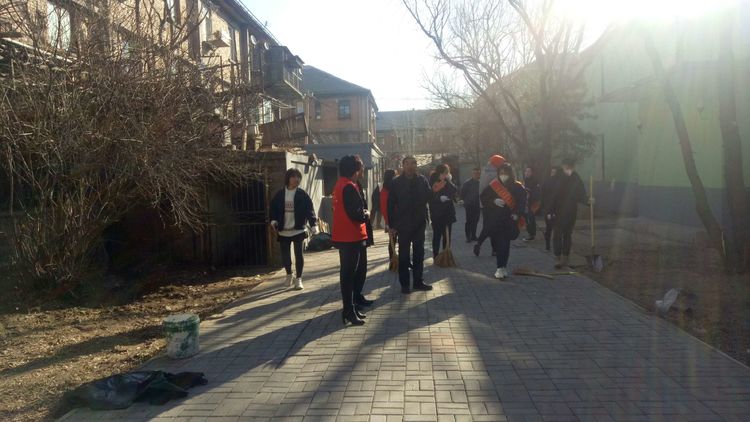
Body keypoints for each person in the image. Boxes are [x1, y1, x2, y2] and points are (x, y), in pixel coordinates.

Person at [332, 155, 369, 326]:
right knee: (349, 275)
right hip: (351, 235)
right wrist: (366, 214)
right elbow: (357, 214)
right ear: (355, 170)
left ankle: (350, 308)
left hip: (343, 235)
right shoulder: (349, 186)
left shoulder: (340, 184)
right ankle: (348, 310)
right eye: (359, 169)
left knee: (347, 274)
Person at [388, 156, 433, 294]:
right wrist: (391, 225)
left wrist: (434, 191)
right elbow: (390, 204)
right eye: (407, 164)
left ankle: (418, 281)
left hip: (419, 222)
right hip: (403, 224)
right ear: (403, 166)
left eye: (413, 164)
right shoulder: (396, 182)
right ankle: (405, 284)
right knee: (404, 255)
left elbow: (429, 197)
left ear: (416, 166)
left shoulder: (422, 180)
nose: (410, 166)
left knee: (419, 253)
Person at [270, 168, 318, 290]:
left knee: (298, 255)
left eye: (298, 177)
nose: (296, 179)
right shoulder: (280, 195)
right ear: (288, 178)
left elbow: (310, 210)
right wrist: (273, 220)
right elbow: (273, 209)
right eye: (293, 176)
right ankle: (289, 275)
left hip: (298, 230)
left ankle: (299, 279)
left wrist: (313, 225)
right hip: (284, 230)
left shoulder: (302, 195)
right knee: (285, 255)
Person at [480, 163, 527, 279]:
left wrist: (516, 213)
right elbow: (483, 197)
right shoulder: (494, 185)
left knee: (505, 245)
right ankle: (500, 267)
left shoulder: (517, 187)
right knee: (500, 244)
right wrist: (493, 201)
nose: (503, 176)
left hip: (510, 220)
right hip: (496, 220)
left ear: (510, 174)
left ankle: (502, 267)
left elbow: (522, 202)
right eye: (501, 173)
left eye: (505, 173)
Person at [549, 158, 589, 269]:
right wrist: (550, 211)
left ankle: (565, 257)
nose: (567, 169)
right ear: (563, 167)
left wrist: (588, 201)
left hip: (570, 212)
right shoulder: (558, 178)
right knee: (557, 234)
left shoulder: (576, 179)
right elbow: (552, 195)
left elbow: (581, 195)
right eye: (565, 167)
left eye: (569, 167)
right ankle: (557, 257)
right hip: (558, 212)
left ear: (573, 167)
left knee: (567, 234)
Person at [475, 155, 506, 256]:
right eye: (502, 163)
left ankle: (480, 244)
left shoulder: (485, 171)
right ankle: (493, 249)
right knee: (493, 227)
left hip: (485, 203)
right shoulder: (494, 174)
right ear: (497, 163)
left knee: (488, 226)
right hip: (494, 203)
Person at [428, 164, 457, 259]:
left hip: (448, 212)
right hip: (437, 214)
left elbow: (454, 190)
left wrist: (448, 180)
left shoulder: (446, 181)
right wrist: (439, 198)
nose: (446, 174)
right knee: (437, 235)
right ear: (439, 173)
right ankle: (435, 255)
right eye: (444, 173)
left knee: (447, 235)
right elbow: (429, 197)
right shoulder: (432, 182)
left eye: (447, 173)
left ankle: (445, 253)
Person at [540, 166, 561, 251]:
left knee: (555, 229)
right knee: (549, 228)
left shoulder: (559, 183)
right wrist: (546, 210)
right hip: (549, 209)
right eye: (552, 172)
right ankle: (548, 245)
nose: (553, 174)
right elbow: (543, 196)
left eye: (554, 173)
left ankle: (554, 247)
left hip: (557, 209)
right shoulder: (547, 182)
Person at [460, 167, 481, 242]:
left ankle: (473, 236)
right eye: (475, 173)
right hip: (469, 205)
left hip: (478, 205)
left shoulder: (481, 183)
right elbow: (462, 194)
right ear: (472, 174)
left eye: (478, 173)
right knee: (469, 221)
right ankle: (468, 237)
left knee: (475, 221)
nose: (476, 175)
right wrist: (466, 201)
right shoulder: (467, 183)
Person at [380, 169, 397, 260]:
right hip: (397, 218)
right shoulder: (393, 188)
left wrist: (387, 221)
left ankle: (392, 260)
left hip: (390, 219)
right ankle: (396, 261)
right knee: (399, 241)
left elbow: (383, 207)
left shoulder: (383, 189)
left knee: (392, 241)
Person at [522, 166, 541, 241]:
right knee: (526, 219)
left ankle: (532, 234)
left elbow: (537, 193)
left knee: (530, 218)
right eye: (526, 171)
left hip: (532, 203)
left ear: (532, 173)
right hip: (526, 203)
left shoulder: (535, 181)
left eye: (528, 171)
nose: (526, 173)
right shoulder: (525, 180)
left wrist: (529, 192)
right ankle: (530, 233)